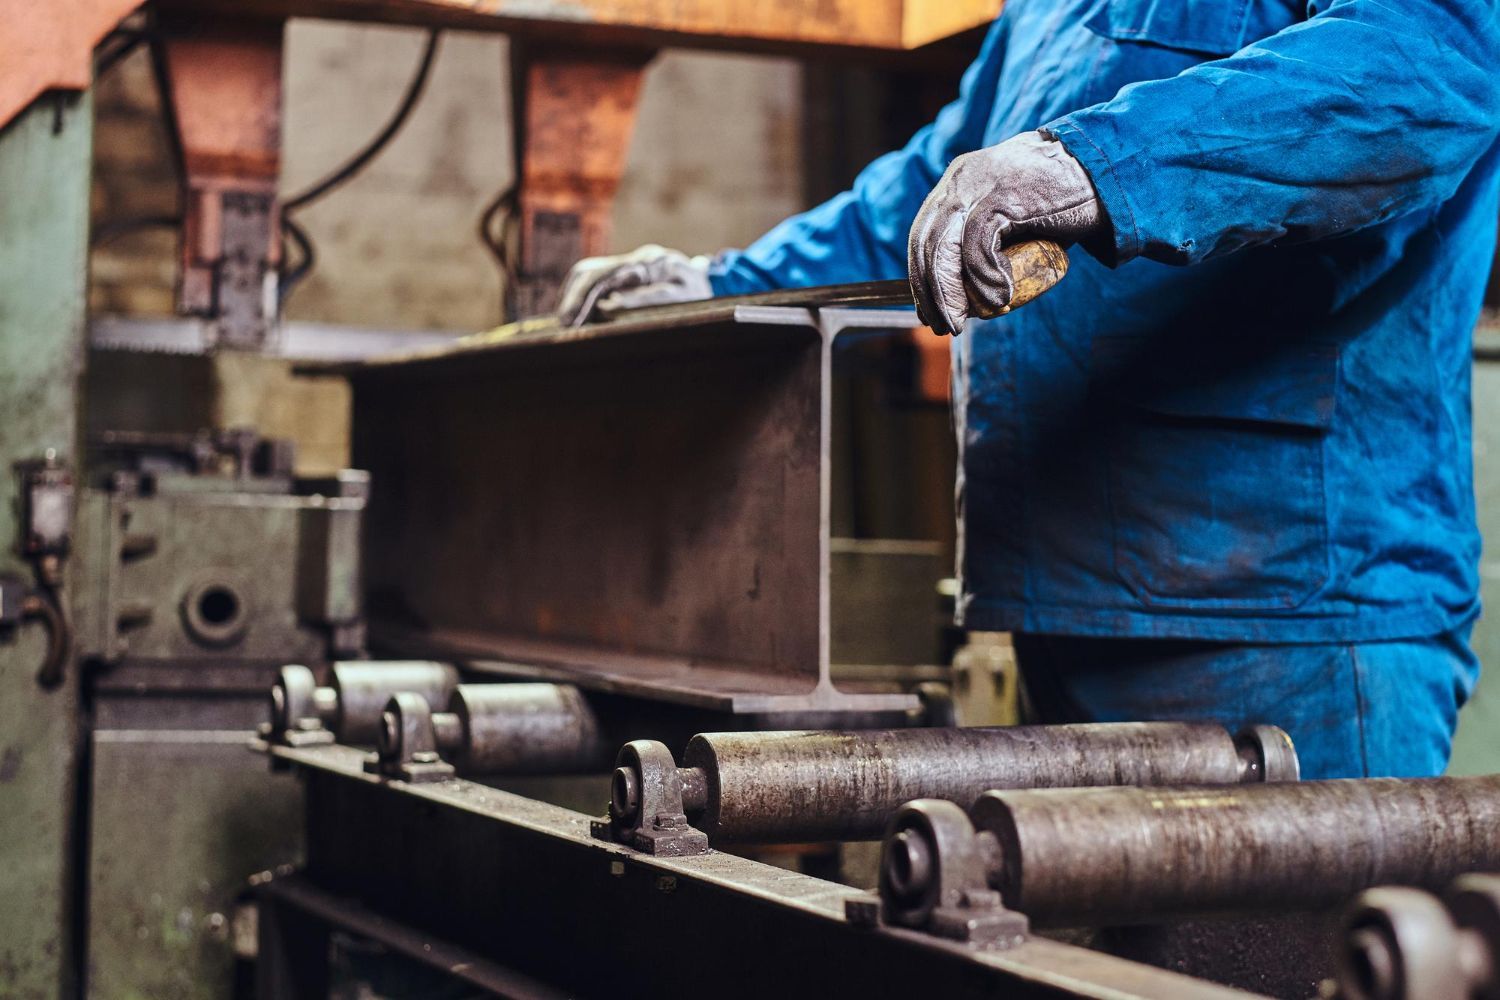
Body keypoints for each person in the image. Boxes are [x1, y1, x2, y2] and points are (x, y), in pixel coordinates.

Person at [556, 0, 1500, 780]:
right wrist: (726, 281)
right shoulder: (1049, 11)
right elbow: (927, 195)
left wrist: (1097, 162)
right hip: (1066, 604)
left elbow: (1417, 72)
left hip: (1287, 616)